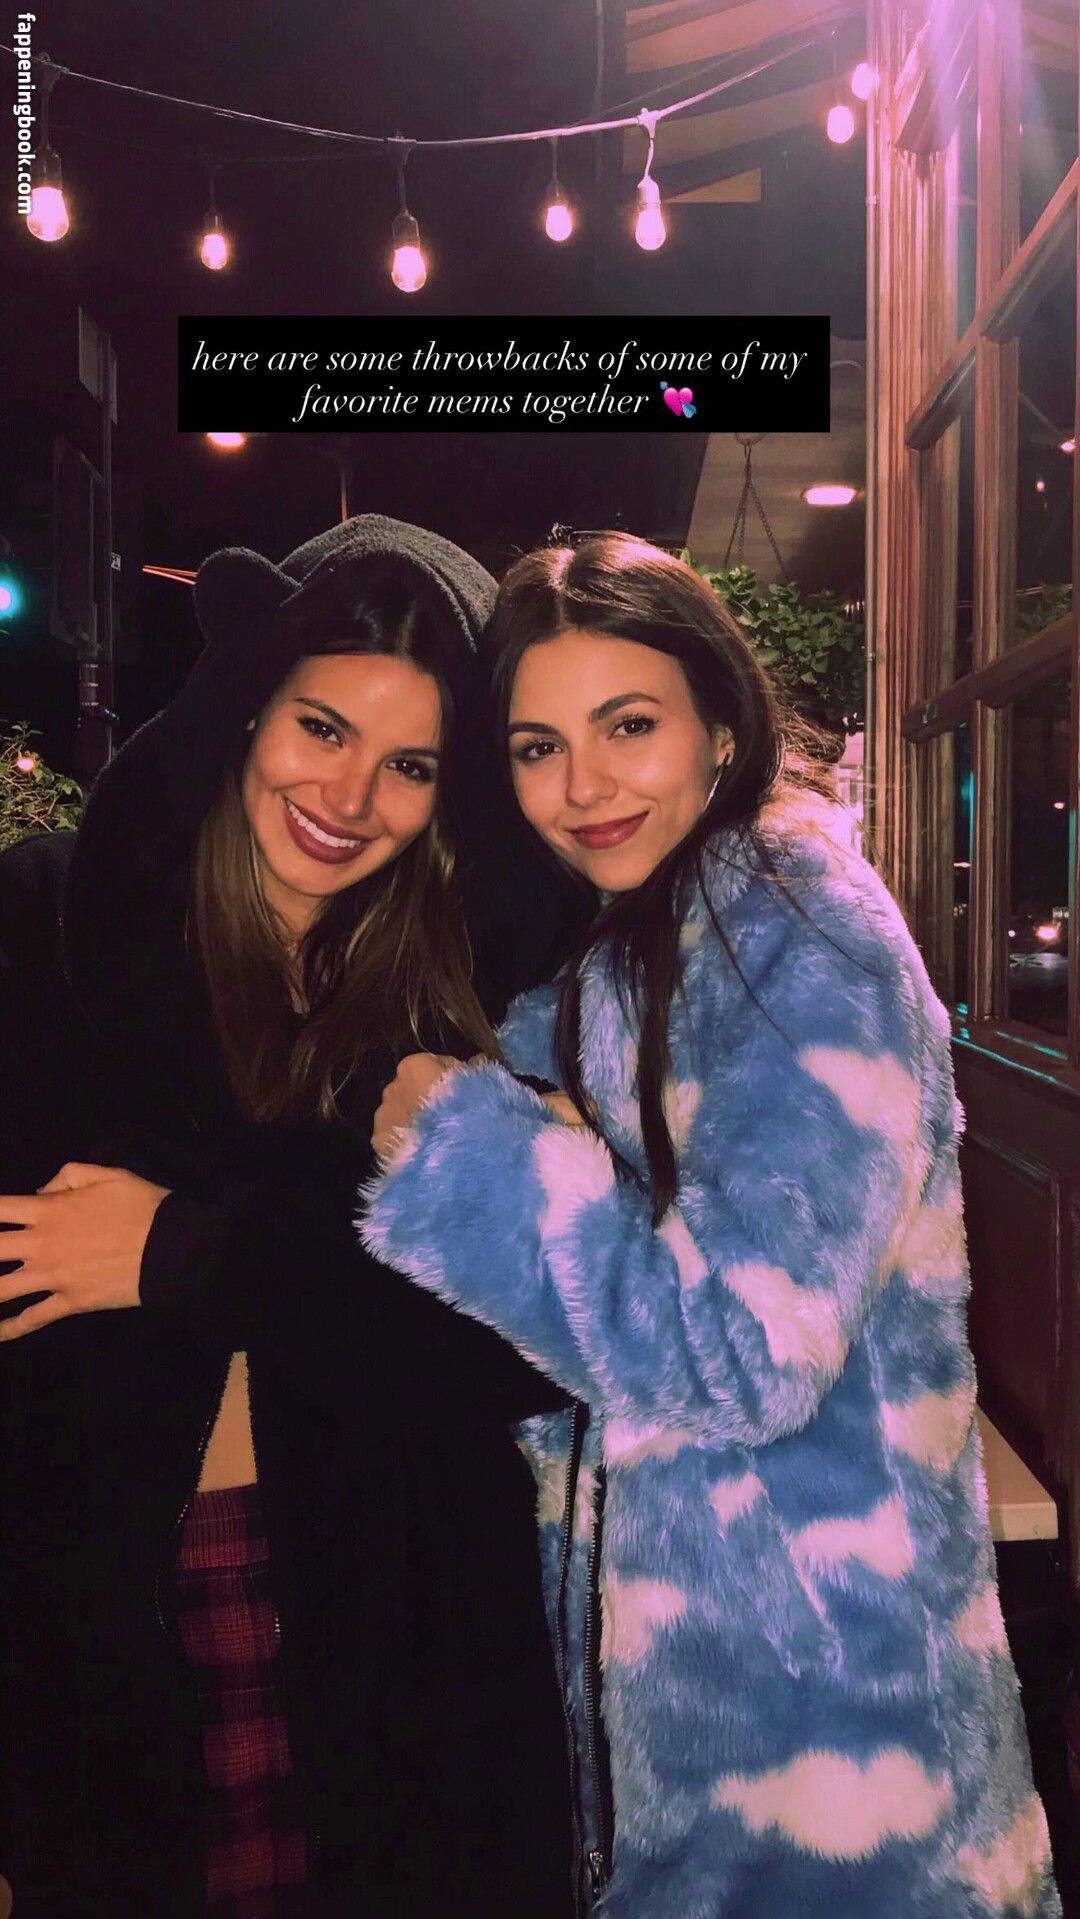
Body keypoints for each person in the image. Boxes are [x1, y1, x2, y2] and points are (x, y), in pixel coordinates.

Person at [362, 533, 1061, 1918]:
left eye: (629, 725)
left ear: (720, 727)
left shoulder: (798, 928)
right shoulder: (640, 945)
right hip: (724, 1693)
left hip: (834, 1734)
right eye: (539, 746)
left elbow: (744, 1353)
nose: (585, 786)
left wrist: (471, 1157)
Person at [0, 515, 581, 1919]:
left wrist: (182, 1253)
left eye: (410, 765)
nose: (350, 794)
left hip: (407, 1645)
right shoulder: (49, 928)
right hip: (98, 1637)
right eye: (322, 726)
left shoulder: (473, 1001)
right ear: (247, 710)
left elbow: (530, 1337)